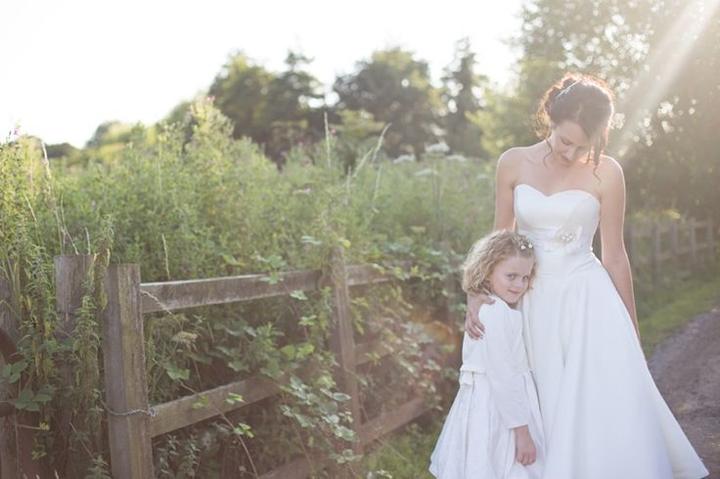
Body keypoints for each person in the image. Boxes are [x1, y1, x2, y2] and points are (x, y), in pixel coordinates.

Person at [464, 73, 709, 478]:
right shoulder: (513, 162)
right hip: (529, 301)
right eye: (565, 141)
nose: (571, 152)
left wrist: (631, 329)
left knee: (595, 404)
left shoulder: (608, 173)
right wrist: (477, 291)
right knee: (539, 396)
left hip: (587, 300)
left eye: (583, 145)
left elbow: (615, 255)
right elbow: (499, 241)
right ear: (550, 117)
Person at [430, 230, 545, 479]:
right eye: (511, 276)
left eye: (525, 277)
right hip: (499, 408)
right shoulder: (495, 312)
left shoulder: (492, 307)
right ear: (487, 270)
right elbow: (503, 376)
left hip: (488, 402)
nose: (519, 285)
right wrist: (522, 433)